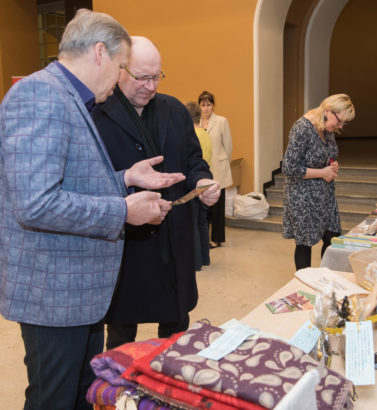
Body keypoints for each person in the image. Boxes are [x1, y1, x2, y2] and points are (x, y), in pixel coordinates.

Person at [0, 10, 185, 410]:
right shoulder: (40, 95)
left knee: (81, 395)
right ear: (99, 54)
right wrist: (122, 211)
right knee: (53, 398)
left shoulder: (68, 96)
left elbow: (68, 182)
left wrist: (126, 177)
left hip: (76, 293)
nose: (122, 77)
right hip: (53, 293)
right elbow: (36, 203)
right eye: (123, 66)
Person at [92, 37, 220, 350]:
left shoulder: (174, 110)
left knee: (176, 328)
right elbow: (90, 181)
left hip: (173, 240)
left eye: (157, 77)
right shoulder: (96, 115)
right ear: (121, 71)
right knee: (122, 334)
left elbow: (193, 160)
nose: (151, 86)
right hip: (126, 244)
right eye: (143, 77)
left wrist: (202, 182)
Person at [282, 94, 355, 270]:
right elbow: (289, 167)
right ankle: (305, 281)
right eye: (339, 121)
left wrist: (332, 164)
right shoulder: (302, 128)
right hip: (302, 195)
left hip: (324, 193)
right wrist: (323, 173)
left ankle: (325, 278)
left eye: (344, 123)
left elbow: (327, 154)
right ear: (328, 111)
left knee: (332, 236)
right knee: (305, 242)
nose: (340, 126)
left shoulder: (327, 127)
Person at [198, 90, 233, 248]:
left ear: (213, 105)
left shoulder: (221, 121)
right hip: (202, 169)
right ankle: (203, 238)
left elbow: (228, 146)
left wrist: (223, 162)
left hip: (218, 167)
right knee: (203, 205)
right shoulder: (196, 122)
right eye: (203, 105)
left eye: (208, 105)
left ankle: (217, 238)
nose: (206, 108)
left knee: (217, 207)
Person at [186, 101, 213, 270]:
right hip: (205, 180)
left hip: (193, 182)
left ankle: (195, 262)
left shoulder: (190, 135)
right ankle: (205, 257)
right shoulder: (205, 133)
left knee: (192, 223)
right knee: (202, 222)